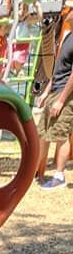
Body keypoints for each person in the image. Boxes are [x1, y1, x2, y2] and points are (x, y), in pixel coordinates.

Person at [35, 18, 73, 189]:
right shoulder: (67, 36)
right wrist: (47, 91)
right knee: (43, 133)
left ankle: (59, 176)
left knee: (60, 134)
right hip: (55, 91)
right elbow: (59, 68)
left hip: (65, 95)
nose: (69, 13)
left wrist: (62, 99)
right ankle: (38, 172)